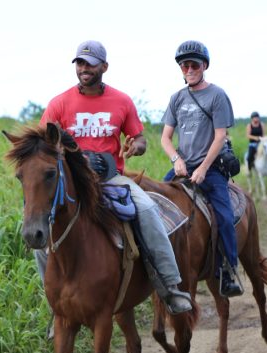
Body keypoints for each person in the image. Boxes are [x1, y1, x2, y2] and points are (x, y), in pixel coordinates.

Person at [36, 40, 192, 315]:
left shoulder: (121, 101)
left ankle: (169, 286)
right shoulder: (59, 103)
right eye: (80, 63)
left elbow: (140, 138)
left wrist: (136, 146)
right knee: (40, 230)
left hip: (111, 178)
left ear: (104, 67)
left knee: (147, 210)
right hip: (72, 182)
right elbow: (42, 144)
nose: (84, 68)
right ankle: (55, 305)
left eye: (90, 63)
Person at [161, 40, 243, 297]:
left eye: (194, 64)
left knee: (225, 217)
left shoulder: (217, 95)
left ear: (204, 65)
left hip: (211, 167)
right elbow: (165, 138)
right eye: (185, 65)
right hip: (183, 167)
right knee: (154, 206)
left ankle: (229, 270)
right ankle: (157, 269)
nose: (189, 69)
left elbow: (220, 136)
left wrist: (204, 168)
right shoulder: (176, 98)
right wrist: (176, 159)